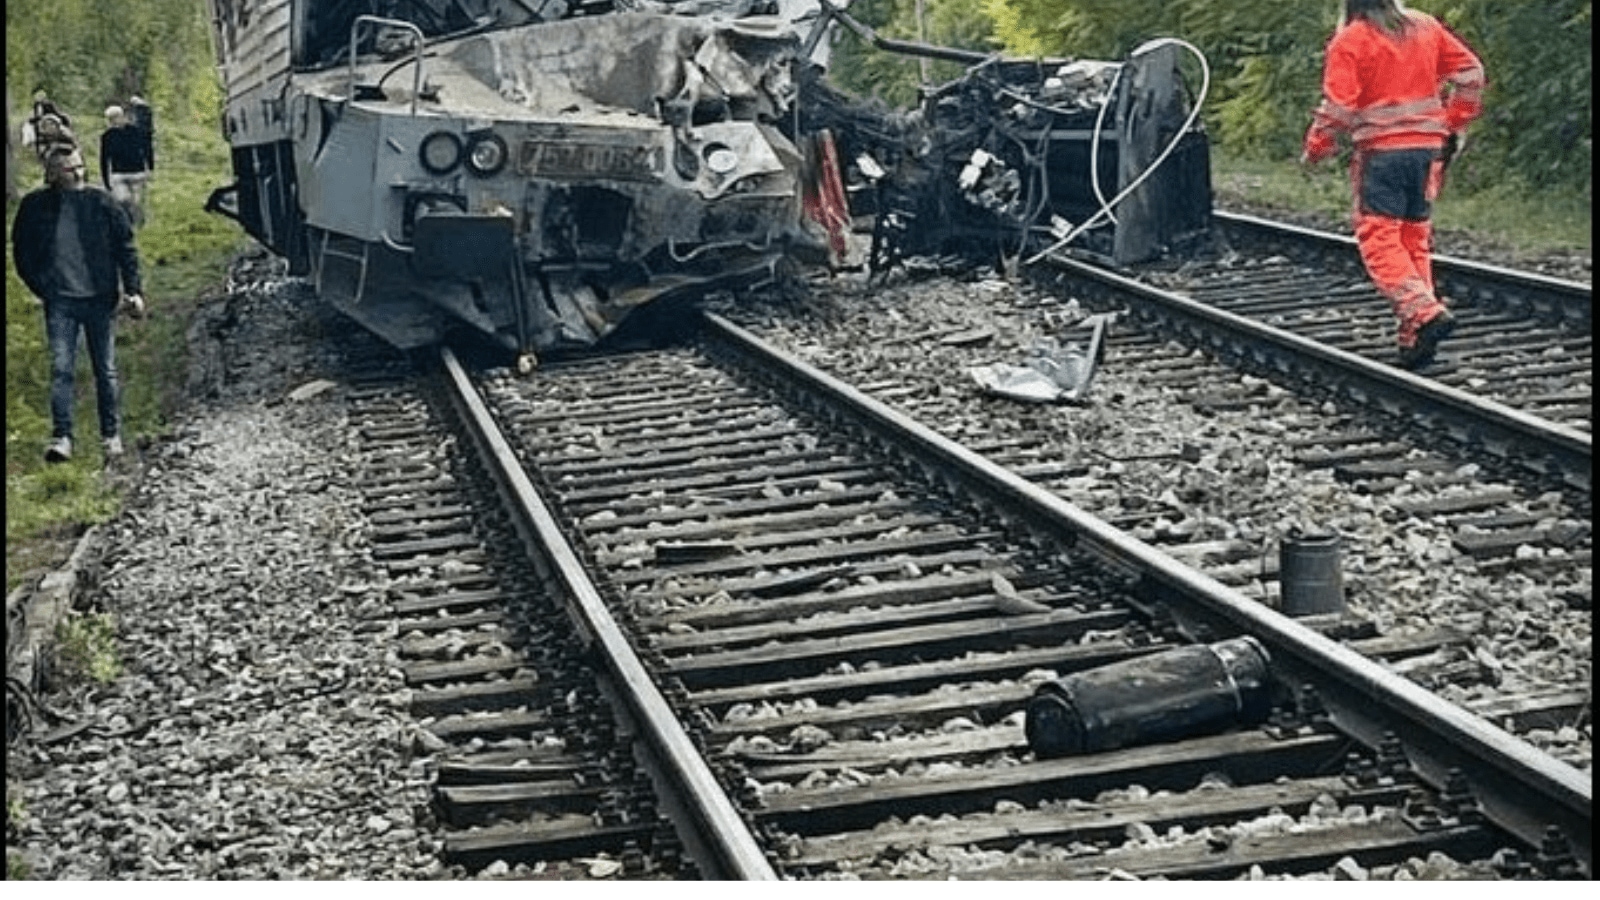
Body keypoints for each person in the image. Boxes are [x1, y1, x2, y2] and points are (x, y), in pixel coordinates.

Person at [1301, 0, 1484, 369]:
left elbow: (1339, 108)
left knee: (1380, 238)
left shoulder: (1351, 39)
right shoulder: (1424, 26)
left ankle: (1424, 311)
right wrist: (1453, 121)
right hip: (1427, 151)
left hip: (1382, 154)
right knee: (1413, 237)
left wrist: (1316, 147)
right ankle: (1415, 333)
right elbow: (1470, 74)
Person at [12, 147, 146, 464]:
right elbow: (22, 251)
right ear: (53, 174)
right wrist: (42, 287)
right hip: (60, 300)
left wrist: (133, 290)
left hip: (99, 298)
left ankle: (110, 436)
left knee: (105, 370)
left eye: (80, 166)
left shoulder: (102, 203)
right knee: (61, 369)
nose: (78, 173)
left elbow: (126, 247)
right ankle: (62, 437)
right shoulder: (35, 207)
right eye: (70, 169)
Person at [100, 105, 154, 227]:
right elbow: (104, 158)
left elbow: (147, 148)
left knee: (137, 201)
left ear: (122, 116)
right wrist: (106, 180)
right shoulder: (107, 136)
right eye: (111, 118)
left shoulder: (136, 131)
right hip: (118, 175)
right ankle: (128, 223)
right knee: (123, 200)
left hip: (137, 173)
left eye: (116, 117)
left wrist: (150, 166)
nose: (114, 120)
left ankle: (138, 224)